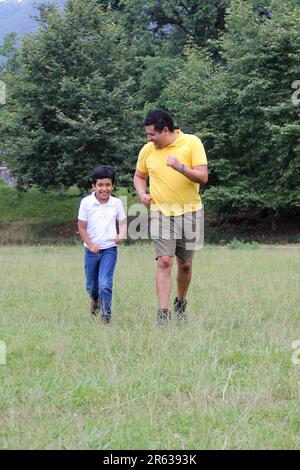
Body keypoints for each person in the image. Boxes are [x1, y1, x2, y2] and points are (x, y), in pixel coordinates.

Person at [134, 108, 208, 326]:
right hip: (161, 213)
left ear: (165, 130)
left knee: (185, 264)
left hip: (190, 212)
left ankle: (180, 302)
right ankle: (163, 314)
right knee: (164, 261)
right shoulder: (147, 150)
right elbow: (139, 177)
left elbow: (203, 177)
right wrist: (142, 193)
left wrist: (180, 167)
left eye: (151, 134)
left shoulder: (192, 143)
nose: (148, 139)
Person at [78, 166, 127, 324]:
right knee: (91, 286)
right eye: (100, 185)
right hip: (91, 251)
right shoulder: (86, 203)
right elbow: (81, 227)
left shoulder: (116, 203)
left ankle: (106, 316)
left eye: (108, 185)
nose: (104, 189)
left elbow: (123, 222)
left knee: (105, 283)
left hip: (109, 250)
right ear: (93, 186)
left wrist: (121, 235)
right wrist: (90, 245)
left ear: (113, 186)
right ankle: (95, 301)